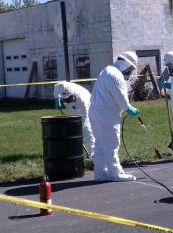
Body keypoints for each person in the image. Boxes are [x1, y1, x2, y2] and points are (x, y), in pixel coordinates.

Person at [89, 51, 139, 181]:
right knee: (111, 143)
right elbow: (120, 97)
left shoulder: (108, 70)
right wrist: (128, 108)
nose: (129, 72)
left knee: (100, 143)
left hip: (96, 111)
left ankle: (100, 173)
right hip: (107, 113)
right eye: (130, 69)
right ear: (125, 65)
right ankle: (116, 173)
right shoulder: (116, 75)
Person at [54, 81, 95, 157]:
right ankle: (74, 151)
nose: (67, 101)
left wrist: (83, 125)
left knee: (86, 128)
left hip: (87, 105)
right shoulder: (60, 87)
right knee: (72, 126)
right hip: (73, 106)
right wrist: (57, 100)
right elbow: (56, 88)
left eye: (69, 99)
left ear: (72, 95)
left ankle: (92, 152)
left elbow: (85, 117)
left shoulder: (82, 98)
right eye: (65, 100)